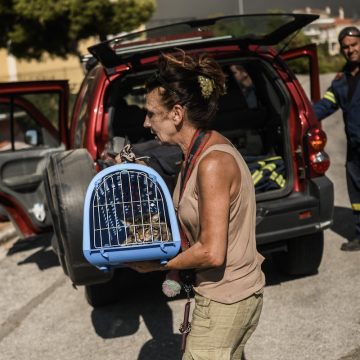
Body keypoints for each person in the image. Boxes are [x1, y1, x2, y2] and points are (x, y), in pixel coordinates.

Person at [126, 50, 265, 359]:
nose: (145, 122)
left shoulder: (212, 162)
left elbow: (211, 252)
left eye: (151, 113)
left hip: (226, 301)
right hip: (223, 297)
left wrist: (158, 265)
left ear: (177, 114)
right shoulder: (194, 154)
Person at [313, 26, 360, 251]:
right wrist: (300, 115)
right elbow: (326, 105)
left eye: (354, 45)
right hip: (355, 147)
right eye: (346, 47)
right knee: (357, 192)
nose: (350, 50)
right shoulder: (341, 81)